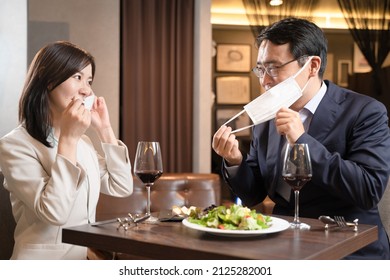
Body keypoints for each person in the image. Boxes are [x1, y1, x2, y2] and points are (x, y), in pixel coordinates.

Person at [212, 18, 390, 260]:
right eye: (260, 69)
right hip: (282, 243)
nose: (264, 81)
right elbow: (253, 195)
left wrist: (303, 140)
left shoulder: (365, 111)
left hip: (349, 248)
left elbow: (368, 190)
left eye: (274, 68)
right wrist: (235, 161)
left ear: (312, 66)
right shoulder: (267, 117)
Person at [0, 41, 133, 259]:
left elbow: (121, 186)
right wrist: (69, 140)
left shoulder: (82, 141)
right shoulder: (15, 145)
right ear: (49, 79)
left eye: (89, 80)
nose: (86, 89)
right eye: (77, 77)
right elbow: (55, 212)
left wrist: (105, 129)